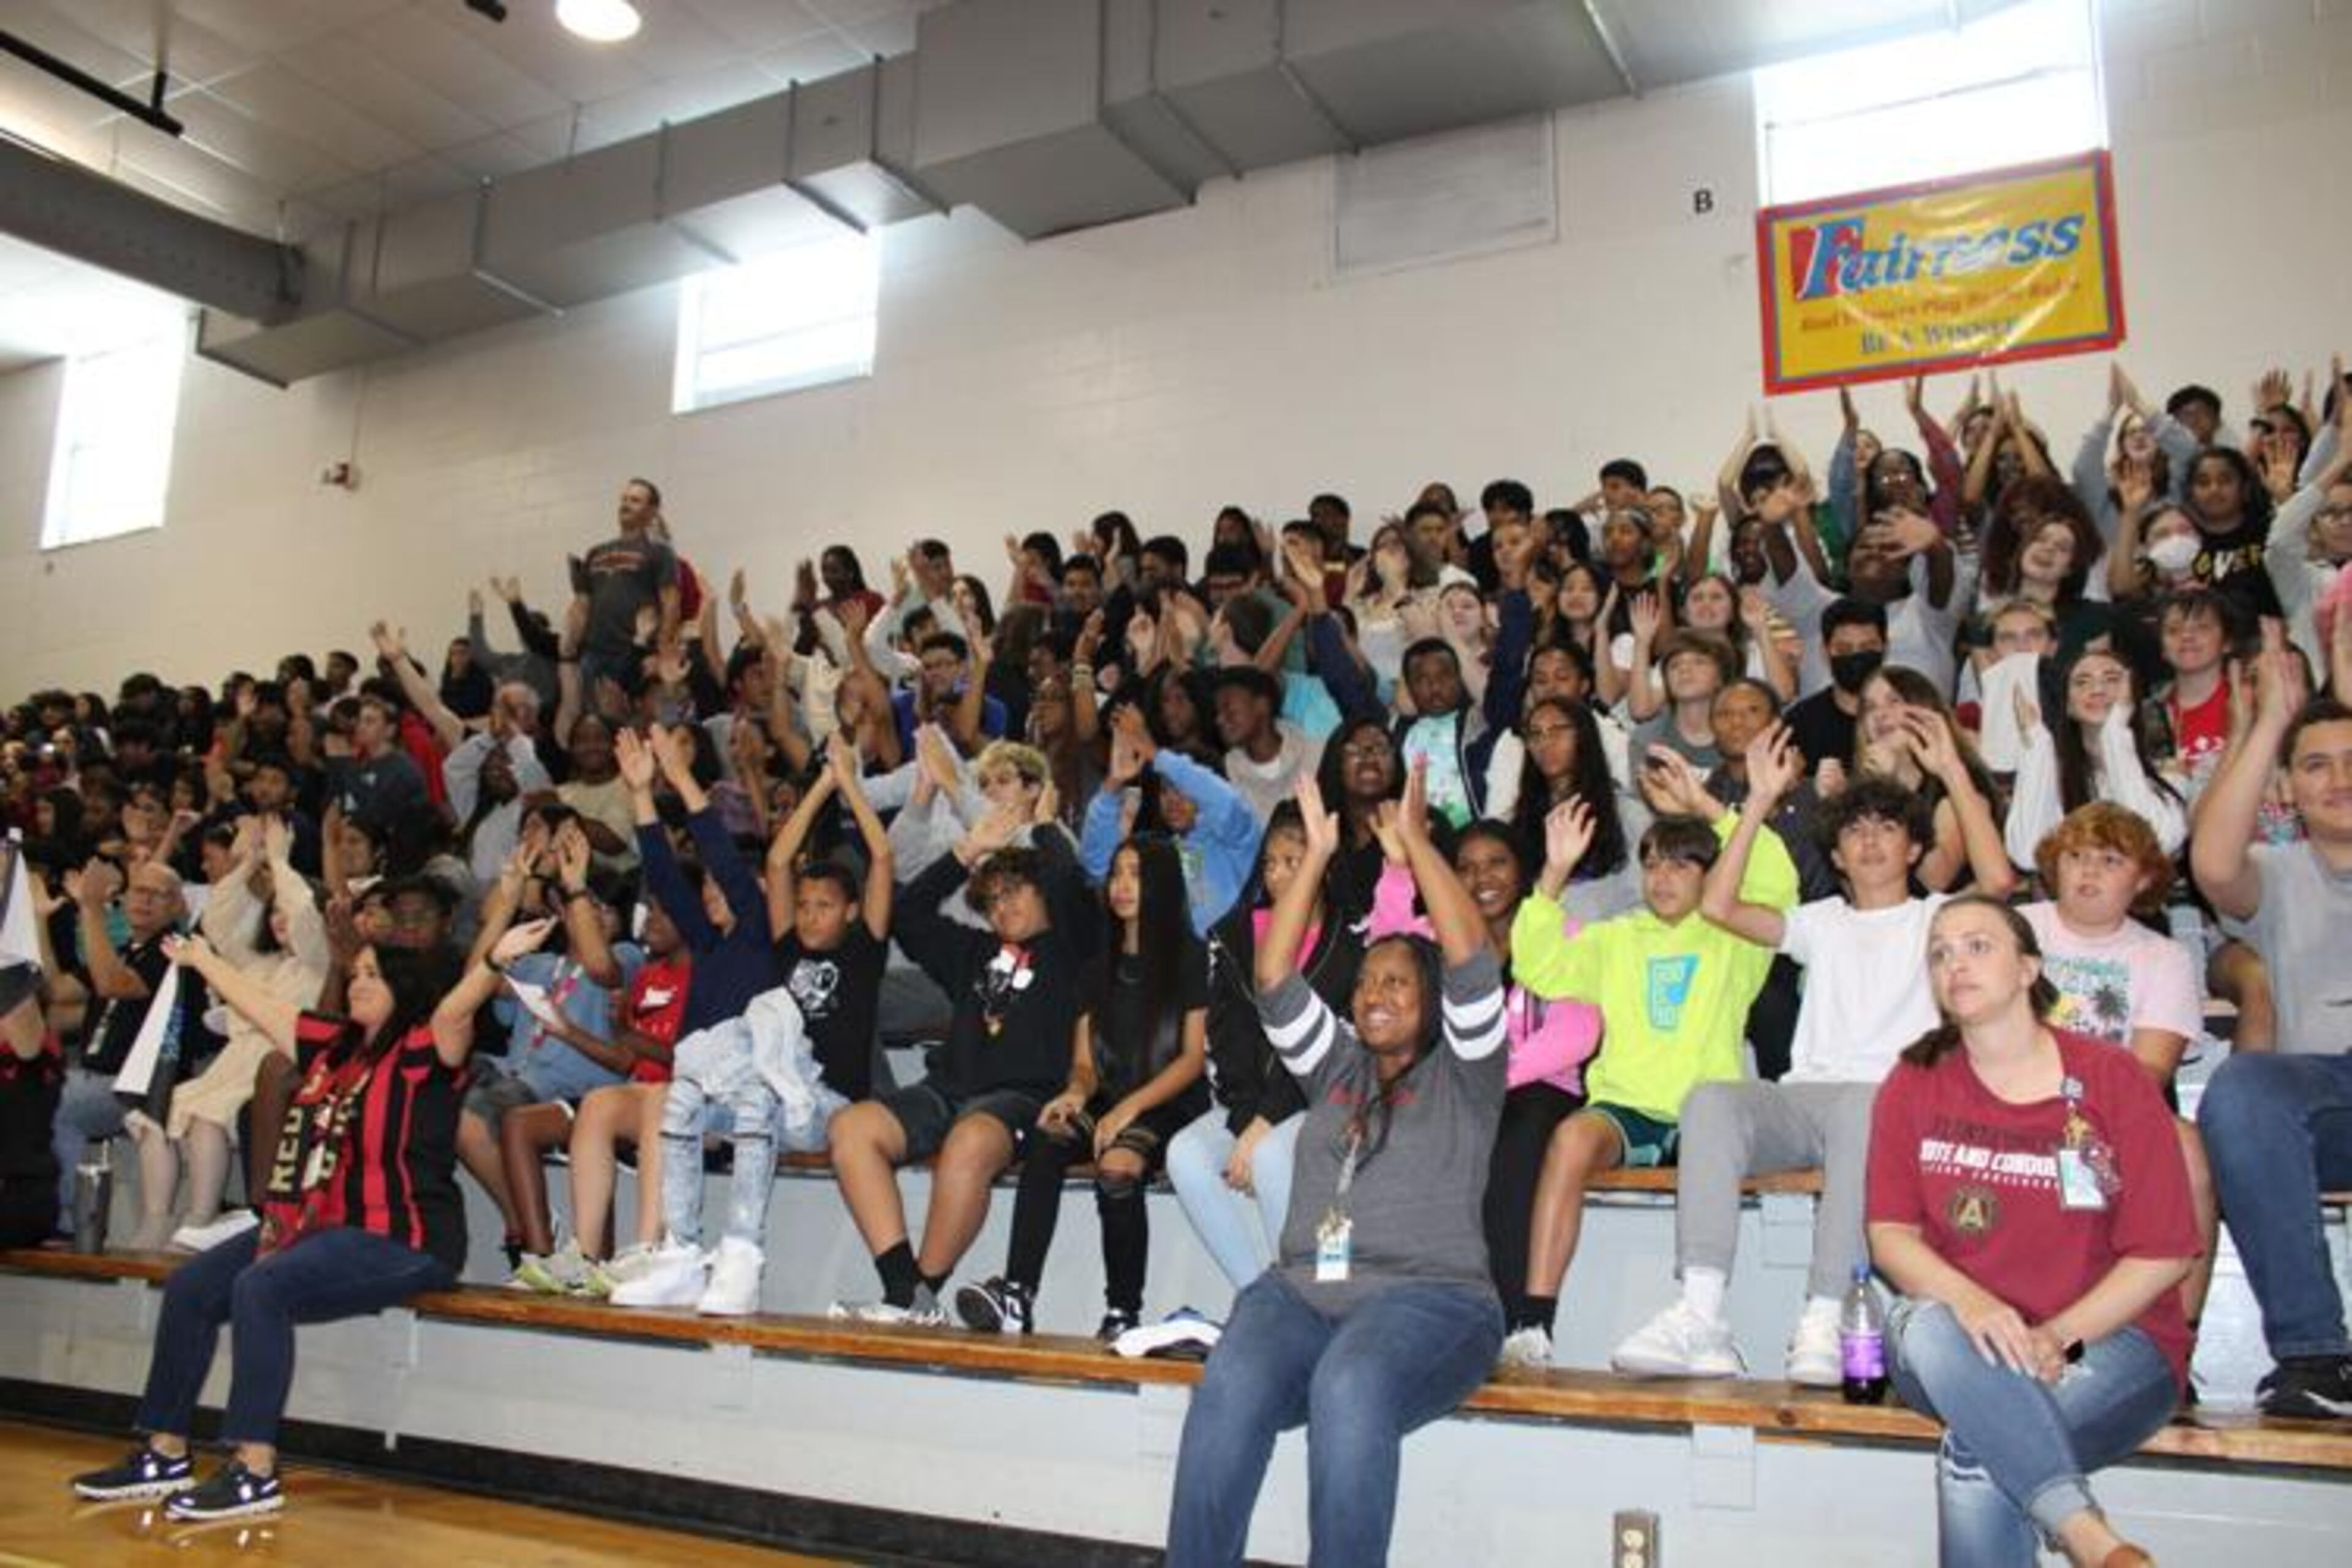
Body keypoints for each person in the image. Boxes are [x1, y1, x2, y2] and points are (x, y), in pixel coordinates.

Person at [70, 918, 535, 1520]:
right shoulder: (331, 1049)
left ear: (405, 987)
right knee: (191, 1286)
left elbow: (455, 1010)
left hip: (401, 1237)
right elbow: (264, 1007)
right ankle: (164, 1450)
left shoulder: (423, 1049)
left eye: (374, 974)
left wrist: (493, 960)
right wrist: (202, 960)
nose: (359, 982)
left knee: (259, 1286)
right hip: (318, 1229)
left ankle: (254, 1468)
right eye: (356, 973)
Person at [1165, 764, 1507, 1568]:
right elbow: (1275, 978)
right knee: (1231, 1379)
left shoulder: (1468, 1074)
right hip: (1304, 1295)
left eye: (1396, 982)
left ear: (1431, 1004)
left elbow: (1471, 962)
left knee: (1350, 1384)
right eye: (1365, 983)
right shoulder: (1338, 1069)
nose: (1374, 994)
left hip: (1434, 1302)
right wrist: (1316, 854)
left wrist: (1417, 846)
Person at [1610, 716, 2015, 1384]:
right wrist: (1760, 800)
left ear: (1915, 847)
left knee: (1864, 1105)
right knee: (1710, 1100)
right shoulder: (1819, 922)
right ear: (1836, 853)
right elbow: (1717, 905)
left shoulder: (1935, 921)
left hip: (1889, 1103)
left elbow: (1997, 881)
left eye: (1888, 827)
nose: (1871, 840)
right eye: (1856, 829)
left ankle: (1828, 1314)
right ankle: (1701, 1312)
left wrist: (1953, 774)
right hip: (1802, 1101)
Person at [1867, 897, 2195, 1568]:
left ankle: (2080, 1532)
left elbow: (2164, 1253)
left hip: (2100, 1343)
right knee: (1923, 1321)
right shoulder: (1912, 1082)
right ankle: (2088, 1536)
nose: (1955, 962)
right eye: (1940, 952)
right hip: (1960, 1343)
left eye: (1978, 945)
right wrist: (1980, 1306)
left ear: (2028, 968)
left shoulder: (2111, 1077)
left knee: (1977, 1451)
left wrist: (2057, 1335)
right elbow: (1891, 1236)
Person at [1500, 797, 1797, 1362]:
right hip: (1628, 1111)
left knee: (1712, 1134)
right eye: (1654, 863)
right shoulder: (1617, 937)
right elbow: (1538, 967)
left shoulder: (1731, 936)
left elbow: (1777, 879)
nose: (1662, 877)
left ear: (1711, 875)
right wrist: (1554, 876)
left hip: (1703, 1118)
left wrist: (1721, 810)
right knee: (1569, 1137)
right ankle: (1535, 1323)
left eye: (1682, 864)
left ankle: (1707, 1326)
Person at [826, 793, 1090, 1322]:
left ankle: (917, 1294)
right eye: (992, 900)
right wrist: (968, 850)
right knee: (851, 1128)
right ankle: (907, 1292)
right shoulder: (972, 950)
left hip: (1023, 1099)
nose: (1003, 907)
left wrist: (1041, 828)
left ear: (1044, 894)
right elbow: (904, 912)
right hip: (945, 1092)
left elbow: (1073, 886)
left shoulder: (1075, 949)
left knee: (969, 1141)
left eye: (1015, 893)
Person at [957, 835, 1209, 1339]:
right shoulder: (1097, 968)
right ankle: (1017, 1296)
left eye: (1136, 874)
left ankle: (1122, 1313)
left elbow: (1191, 1060)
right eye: (1116, 874)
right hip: (1110, 1099)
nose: (1122, 886)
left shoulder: (1192, 957)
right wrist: (1075, 1091)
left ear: (1162, 882)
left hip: (1168, 1103)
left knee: (1118, 1167)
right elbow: (1084, 1064)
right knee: (1050, 1134)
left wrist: (1129, 1110)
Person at [2192, 649, 2352, 1419]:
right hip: (2322, 1097)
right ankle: (2315, 1353)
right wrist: (2267, 726)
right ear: (2288, 788)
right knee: (2241, 1088)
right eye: (2315, 766)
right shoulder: (2280, 872)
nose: (2338, 779)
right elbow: (2212, 862)